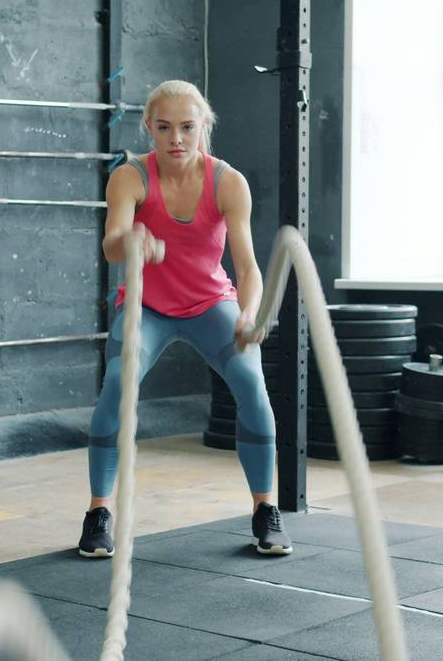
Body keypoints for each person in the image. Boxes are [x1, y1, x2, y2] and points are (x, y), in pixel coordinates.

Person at [78, 79, 292, 558]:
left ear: (203, 128)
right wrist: (132, 240)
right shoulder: (130, 177)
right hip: (146, 306)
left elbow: (249, 267)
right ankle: (98, 513)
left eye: (187, 128)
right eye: (165, 127)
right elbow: (112, 244)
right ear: (150, 128)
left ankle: (265, 509)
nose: (176, 138)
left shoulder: (227, 182)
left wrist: (250, 315)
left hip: (210, 305)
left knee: (251, 385)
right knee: (117, 384)